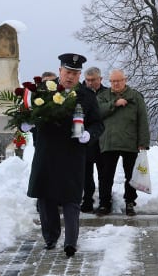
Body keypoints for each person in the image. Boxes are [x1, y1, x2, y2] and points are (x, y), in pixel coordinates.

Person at [27, 53, 103, 257]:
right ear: (60, 70)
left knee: (71, 198)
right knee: (46, 196)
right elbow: (28, 113)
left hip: (73, 152)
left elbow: (98, 123)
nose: (71, 77)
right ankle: (50, 237)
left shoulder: (87, 96)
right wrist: (26, 123)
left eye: (75, 73)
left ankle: (70, 242)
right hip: (47, 151)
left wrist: (89, 133)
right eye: (68, 72)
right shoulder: (43, 91)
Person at [96, 69, 149, 217]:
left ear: (125, 80)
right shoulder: (103, 96)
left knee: (130, 176)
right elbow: (98, 112)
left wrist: (143, 141)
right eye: (113, 81)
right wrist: (115, 103)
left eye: (119, 80)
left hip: (130, 142)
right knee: (106, 175)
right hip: (109, 142)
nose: (116, 83)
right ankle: (104, 203)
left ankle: (130, 202)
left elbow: (142, 120)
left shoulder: (135, 96)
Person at [80, 66, 107, 212]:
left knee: (104, 174)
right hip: (86, 139)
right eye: (88, 80)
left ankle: (104, 201)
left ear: (100, 79)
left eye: (93, 80)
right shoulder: (80, 93)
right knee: (86, 174)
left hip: (102, 139)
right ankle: (87, 200)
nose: (90, 83)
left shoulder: (107, 93)